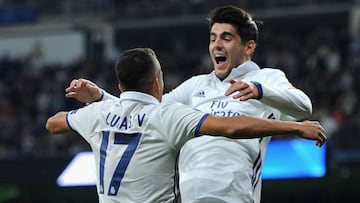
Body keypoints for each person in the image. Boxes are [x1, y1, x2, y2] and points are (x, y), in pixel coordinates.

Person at [64, 6, 320, 203]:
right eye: (213, 38)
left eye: (227, 37)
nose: (217, 44)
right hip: (187, 196)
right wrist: (101, 98)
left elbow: (303, 106)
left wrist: (260, 90)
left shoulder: (267, 78)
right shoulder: (195, 85)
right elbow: (143, 111)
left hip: (233, 195)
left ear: (249, 46)